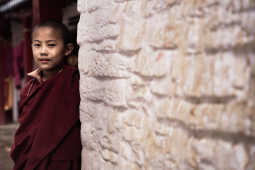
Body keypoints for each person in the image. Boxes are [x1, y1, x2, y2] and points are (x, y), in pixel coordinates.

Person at [11, 21, 82, 170]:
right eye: (37, 45)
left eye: (51, 45)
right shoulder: (29, 85)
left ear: (68, 49)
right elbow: (25, 130)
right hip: (29, 160)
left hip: (60, 161)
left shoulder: (73, 80)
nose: (43, 51)